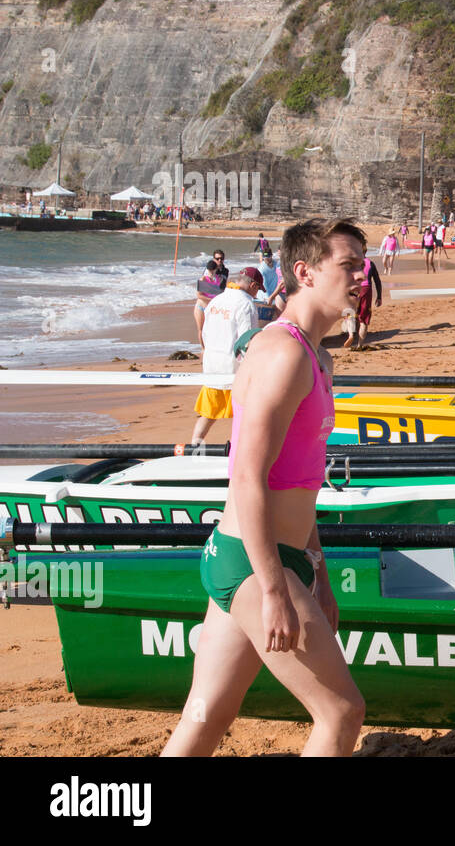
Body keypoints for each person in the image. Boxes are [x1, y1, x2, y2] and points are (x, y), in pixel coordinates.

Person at [163, 218, 368, 757]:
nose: (361, 276)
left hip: (275, 556)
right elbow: (247, 476)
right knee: (341, 713)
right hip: (255, 563)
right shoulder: (284, 354)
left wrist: (315, 570)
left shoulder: (317, 357)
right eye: (348, 265)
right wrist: (276, 590)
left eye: (361, 264)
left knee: (207, 715)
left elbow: (299, 483)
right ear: (304, 271)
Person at [191, 267, 263, 444]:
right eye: (257, 290)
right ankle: (240, 450)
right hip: (234, 369)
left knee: (208, 414)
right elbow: (247, 340)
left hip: (212, 365)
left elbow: (205, 333)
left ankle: (195, 447)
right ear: (252, 285)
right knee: (244, 414)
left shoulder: (216, 301)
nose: (256, 295)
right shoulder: (246, 305)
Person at [343, 252, 382, 349]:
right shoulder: (370, 263)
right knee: (364, 319)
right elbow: (377, 280)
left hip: (354, 288)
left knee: (349, 312)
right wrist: (379, 297)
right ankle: (359, 344)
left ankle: (351, 334)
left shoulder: (351, 263)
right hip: (366, 290)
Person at [194, 260, 224, 345]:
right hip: (201, 307)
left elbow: (218, 294)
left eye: (212, 270)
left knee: (212, 328)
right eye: (209, 270)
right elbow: (199, 295)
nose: (211, 272)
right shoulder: (203, 279)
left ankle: (211, 346)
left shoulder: (218, 279)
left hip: (211, 307)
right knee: (201, 329)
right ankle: (203, 348)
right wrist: (212, 300)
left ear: (215, 269)